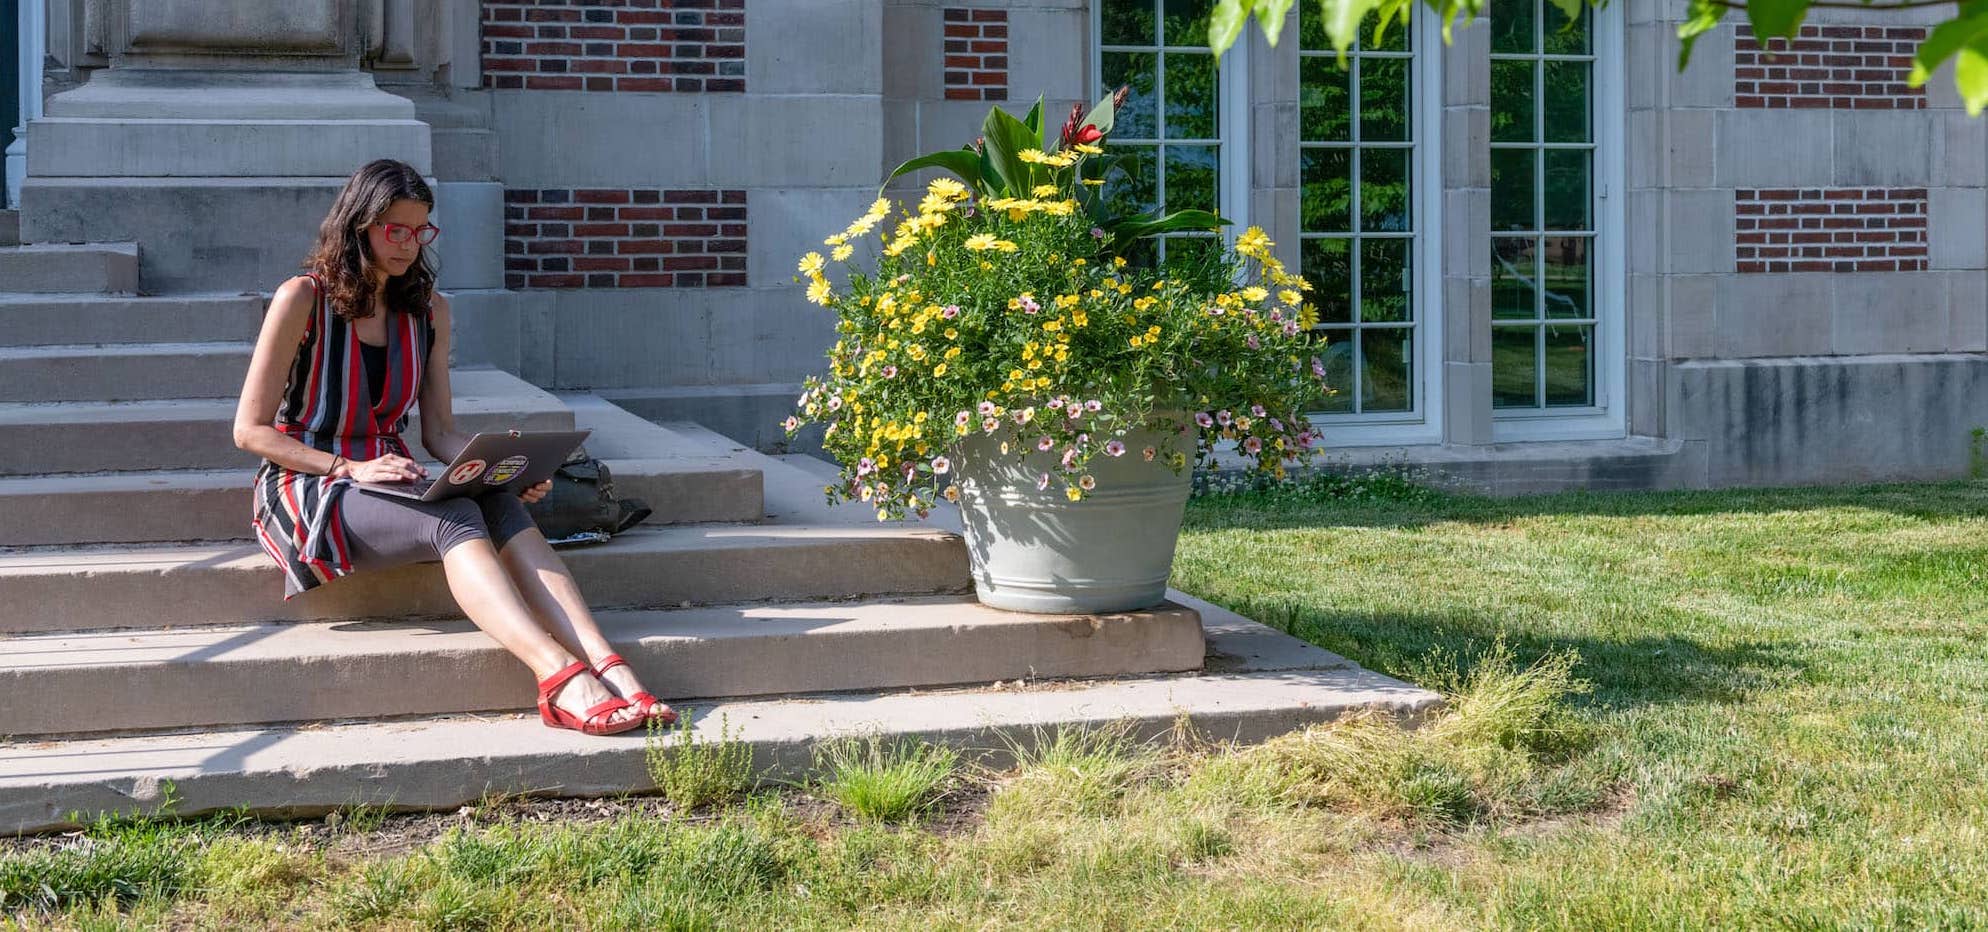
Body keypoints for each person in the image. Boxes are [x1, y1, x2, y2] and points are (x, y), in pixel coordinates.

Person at [233, 159, 672, 737]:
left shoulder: (429, 313)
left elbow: (439, 431)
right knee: (456, 517)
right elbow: (251, 431)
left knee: (499, 503)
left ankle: (608, 664)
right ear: (358, 226)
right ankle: (559, 677)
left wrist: (507, 470)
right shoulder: (303, 298)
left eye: (421, 232)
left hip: (393, 475)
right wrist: (350, 465)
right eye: (396, 229)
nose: (409, 245)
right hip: (309, 483)